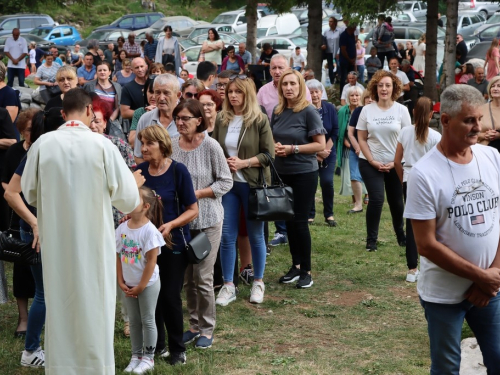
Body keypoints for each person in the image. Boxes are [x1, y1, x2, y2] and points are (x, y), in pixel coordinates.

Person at [21, 88, 143, 374]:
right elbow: (128, 198)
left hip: (57, 238)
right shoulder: (102, 146)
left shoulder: (43, 144)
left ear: (63, 114)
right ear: (90, 111)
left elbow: (30, 192)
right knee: (95, 301)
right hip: (94, 239)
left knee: (60, 302)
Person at [404, 84, 500, 375]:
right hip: (444, 295)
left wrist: (491, 276)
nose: (477, 127)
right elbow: (426, 245)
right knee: (446, 367)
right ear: (445, 120)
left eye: (479, 119)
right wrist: (481, 275)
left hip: (490, 290)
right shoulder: (424, 174)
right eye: (469, 120)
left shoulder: (492, 158)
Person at [171, 99, 232, 348]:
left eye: (186, 118)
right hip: (182, 223)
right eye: (178, 118)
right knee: (188, 279)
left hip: (208, 220)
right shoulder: (173, 146)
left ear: (199, 121)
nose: (180, 122)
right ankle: (193, 325)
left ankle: (207, 329)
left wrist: (196, 193)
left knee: (204, 277)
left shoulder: (211, 146)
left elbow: (225, 182)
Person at [136, 124, 198, 365]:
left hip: (173, 244)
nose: (144, 148)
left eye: (149, 143)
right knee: (151, 295)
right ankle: (157, 344)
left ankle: (177, 348)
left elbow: (193, 210)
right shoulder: (139, 171)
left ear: (162, 145)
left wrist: (171, 225)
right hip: (146, 245)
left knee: (170, 296)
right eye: (142, 143)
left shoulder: (178, 171)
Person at [212, 75, 274, 304]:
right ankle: (228, 285)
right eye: (230, 92)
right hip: (228, 185)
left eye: (238, 92)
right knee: (227, 236)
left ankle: (258, 282)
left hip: (252, 185)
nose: (233, 96)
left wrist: (244, 163)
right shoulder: (222, 118)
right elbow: (216, 149)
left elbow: (269, 155)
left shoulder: (259, 119)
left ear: (247, 94)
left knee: (256, 235)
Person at [4, 110, 55, 369]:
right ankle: (31, 349)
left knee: (47, 293)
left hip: (41, 228)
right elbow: (11, 193)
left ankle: (41, 346)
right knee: (45, 293)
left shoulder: (38, 152)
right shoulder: (38, 154)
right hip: (37, 231)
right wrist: (34, 223)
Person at [272, 69, 326, 288]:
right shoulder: (278, 111)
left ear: (300, 86)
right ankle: (295, 266)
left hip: (304, 172)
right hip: (281, 172)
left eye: (293, 84)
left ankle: (307, 271)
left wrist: (293, 148)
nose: (288, 88)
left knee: (300, 222)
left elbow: (320, 145)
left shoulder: (308, 111)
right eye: (285, 84)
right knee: (288, 221)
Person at [257, 54, 312, 247]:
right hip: (273, 148)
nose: (277, 71)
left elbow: (308, 120)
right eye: (273, 68)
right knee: (277, 193)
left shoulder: (299, 88)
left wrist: (294, 147)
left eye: (280, 67)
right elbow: (261, 121)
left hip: (297, 150)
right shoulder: (263, 92)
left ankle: (296, 233)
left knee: (297, 205)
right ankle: (281, 231)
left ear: (288, 67)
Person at [356, 70, 411, 252]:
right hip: (370, 162)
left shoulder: (402, 110)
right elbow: (361, 138)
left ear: (394, 88)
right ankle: (371, 240)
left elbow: (407, 139)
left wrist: (396, 161)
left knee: (397, 202)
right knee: (377, 199)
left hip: (395, 163)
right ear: (375, 88)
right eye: (380, 85)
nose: (384, 89)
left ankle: (401, 236)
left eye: (388, 85)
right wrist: (372, 160)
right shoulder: (366, 110)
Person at [116, 186, 165, 374]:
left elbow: (151, 262)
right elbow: (118, 256)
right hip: (128, 285)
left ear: (145, 206)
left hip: (147, 285)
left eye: (133, 199)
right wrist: (121, 282)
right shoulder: (122, 228)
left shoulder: (150, 232)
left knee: (147, 320)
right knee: (134, 321)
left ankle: (148, 358)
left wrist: (141, 286)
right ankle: (136, 356)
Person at [394, 97, 441, 283]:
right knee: (433, 224)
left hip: (409, 179)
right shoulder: (436, 136)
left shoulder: (405, 132)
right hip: (429, 182)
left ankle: (412, 269)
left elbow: (397, 161)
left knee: (412, 225)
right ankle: (430, 266)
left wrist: (402, 180)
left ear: (413, 112)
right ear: (431, 114)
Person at [1, 108, 34, 340]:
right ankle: (23, 318)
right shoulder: (13, 151)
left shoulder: (46, 150)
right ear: (22, 130)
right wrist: (18, 198)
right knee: (21, 269)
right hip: (19, 215)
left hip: (42, 213)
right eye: (30, 130)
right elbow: (5, 182)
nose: (33, 133)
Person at [306, 79, 338, 226]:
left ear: (321, 92)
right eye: (311, 92)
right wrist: (316, 153)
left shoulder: (330, 108)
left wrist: (326, 150)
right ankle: (310, 214)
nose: (314, 95)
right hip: (311, 154)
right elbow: (303, 134)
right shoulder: (304, 110)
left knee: (327, 182)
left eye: (316, 92)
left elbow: (336, 131)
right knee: (311, 184)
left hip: (328, 153)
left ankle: (329, 214)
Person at [134, 74, 180, 162]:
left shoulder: (189, 119)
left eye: (166, 93)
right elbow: (138, 156)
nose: (161, 98)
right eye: (157, 92)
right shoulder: (145, 119)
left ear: (178, 95)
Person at [337, 86, 363, 203]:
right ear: (348, 97)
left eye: (357, 95)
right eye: (352, 95)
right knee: (350, 174)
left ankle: (366, 195)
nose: (354, 97)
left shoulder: (365, 110)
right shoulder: (343, 111)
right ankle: (354, 197)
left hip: (364, 148)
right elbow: (340, 132)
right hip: (347, 147)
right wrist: (349, 145)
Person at [347, 90, 371, 213]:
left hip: (372, 150)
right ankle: (358, 204)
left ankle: (372, 200)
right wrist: (357, 147)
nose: (370, 100)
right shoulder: (358, 111)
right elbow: (350, 133)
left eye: (373, 97)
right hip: (355, 150)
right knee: (354, 176)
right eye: (367, 97)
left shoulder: (379, 113)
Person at [478, 76, 500, 150]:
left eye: (499, 86)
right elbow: (469, 131)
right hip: (484, 150)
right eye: (493, 86)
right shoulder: (481, 108)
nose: (495, 89)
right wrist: (484, 135)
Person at [322, 17, 343, 87]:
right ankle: (332, 81)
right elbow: (324, 40)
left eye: (331, 21)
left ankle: (339, 78)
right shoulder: (326, 32)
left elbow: (341, 42)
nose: (330, 23)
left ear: (335, 23)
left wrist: (339, 51)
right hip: (329, 51)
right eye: (329, 21)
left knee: (339, 65)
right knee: (330, 66)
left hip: (337, 51)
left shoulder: (339, 31)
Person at [339, 25, 357, 96]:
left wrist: (354, 58)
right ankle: (342, 94)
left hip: (352, 60)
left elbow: (354, 46)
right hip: (345, 60)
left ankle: (352, 92)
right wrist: (349, 59)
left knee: (353, 76)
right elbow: (343, 49)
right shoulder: (343, 35)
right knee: (344, 77)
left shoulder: (352, 35)